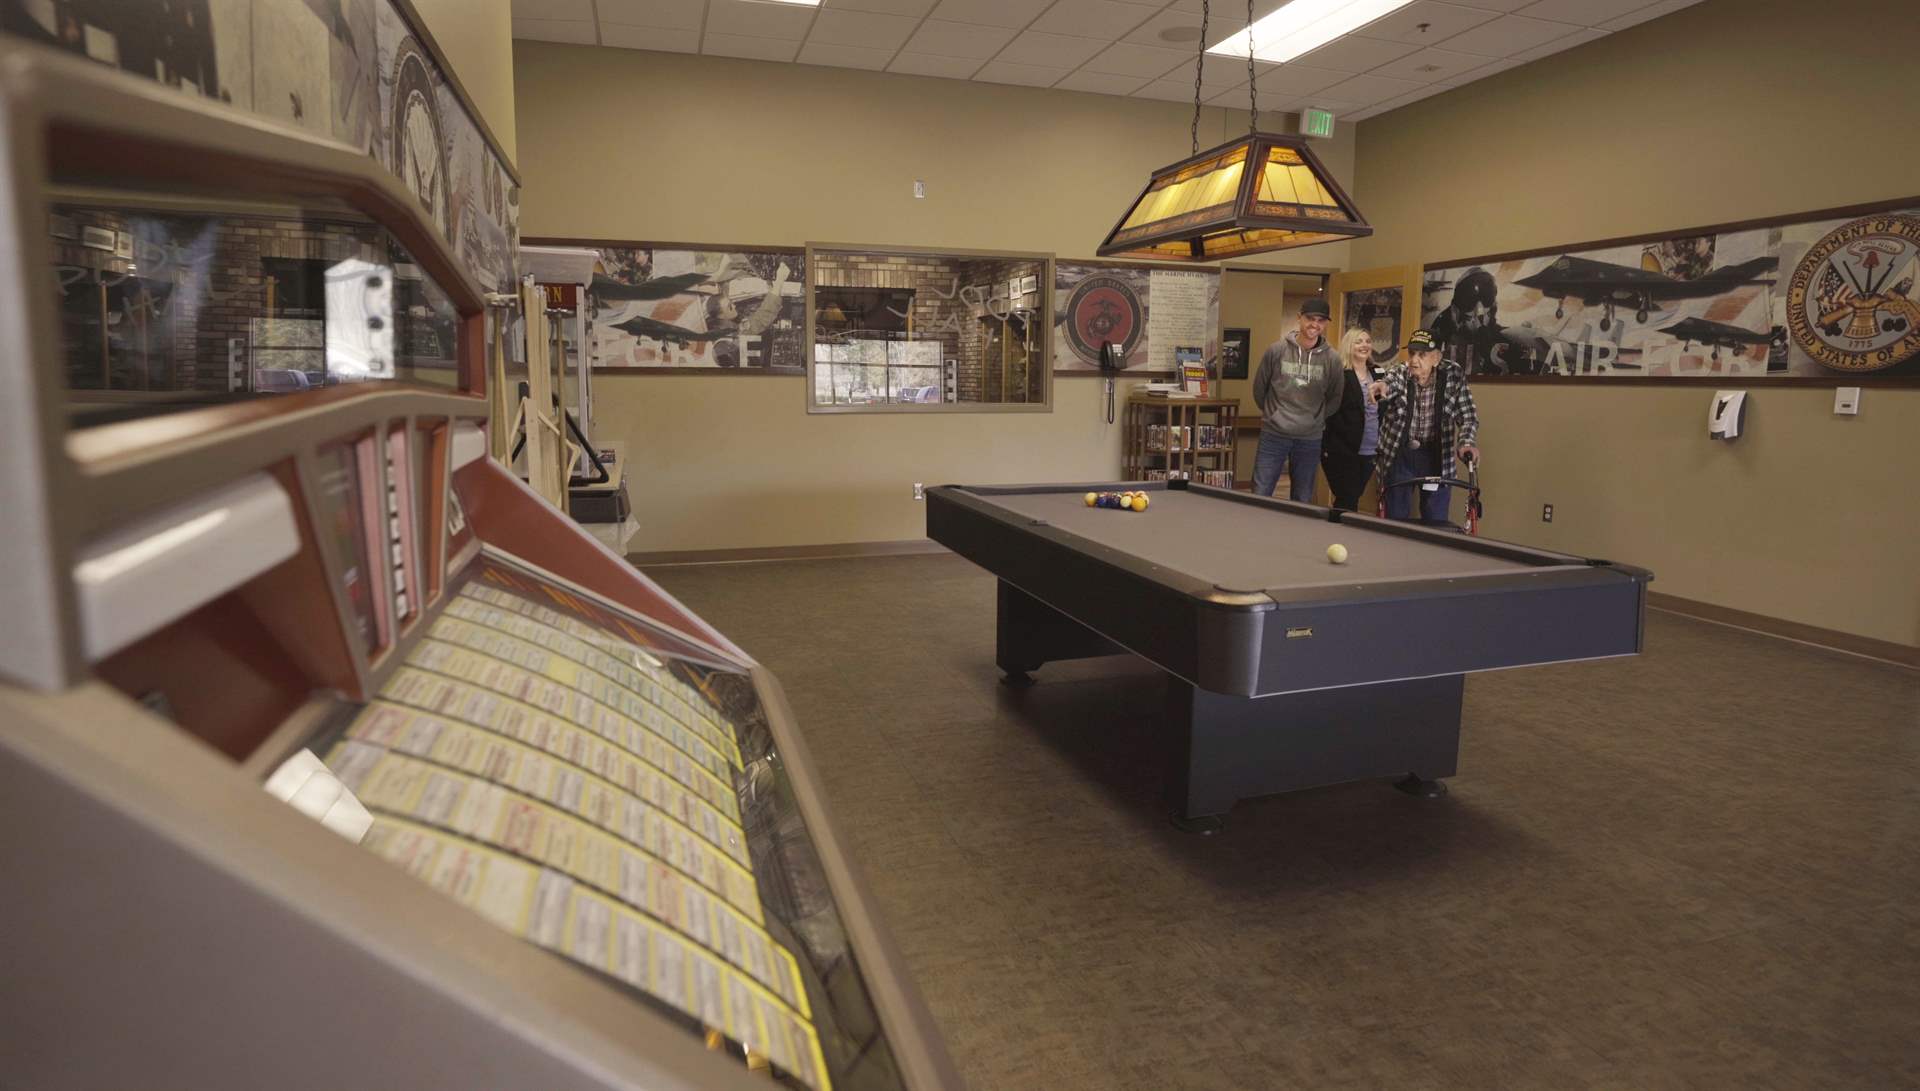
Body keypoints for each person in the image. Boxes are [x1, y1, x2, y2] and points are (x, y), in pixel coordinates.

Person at [1368, 328, 1480, 525]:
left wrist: (1466, 443)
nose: (1414, 360)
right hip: (1400, 455)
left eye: (1422, 355)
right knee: (1393, 520)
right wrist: (1382, 387)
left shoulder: (1453, 375)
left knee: (1435, 520)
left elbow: (1468, 416)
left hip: (1436, 456)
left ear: (1436, 358)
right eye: (1411, 353)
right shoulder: (1400, 372)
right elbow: (1389, 382)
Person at [1251, 296, 1343, 502]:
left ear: (1326, 324)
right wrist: (1273, 414)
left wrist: (1315, 419)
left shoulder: (1333, 359)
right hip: (1274, 434)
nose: (1315, 325)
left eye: (1321, 320)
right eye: (1310, 318)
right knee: (1260, 491)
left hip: (1309, 438)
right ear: (1299, 318)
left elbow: (1335, 398)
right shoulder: (1276, 350)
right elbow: (1259, 389)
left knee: (1302, 496)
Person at [1320, 326, 1380, 512]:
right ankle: (1338, 536)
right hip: (1343, 450)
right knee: (1347, 499)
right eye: (1359, 341)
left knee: (1353, 497)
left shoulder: (1378, 373)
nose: (1365, 345)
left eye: (1368, 341)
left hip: (1371, 449)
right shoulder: (1339, 374)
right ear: (1348, 346)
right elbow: (1328, 410)